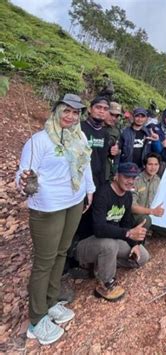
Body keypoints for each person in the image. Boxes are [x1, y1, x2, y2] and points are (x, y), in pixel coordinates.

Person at [16, 94, 95, 345]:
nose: (71, 117)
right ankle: (36, 319)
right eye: (66, 111)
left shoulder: (79, 137)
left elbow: (86, 164)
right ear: (57, 110)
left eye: (75, 112)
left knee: (61, 252)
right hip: (47, 207)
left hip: (73, 202)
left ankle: (51, 302)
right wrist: (23, 178)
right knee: (44, 261)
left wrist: (89, 189)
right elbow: (23, 174)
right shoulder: (38, 141)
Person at [74, 163, 150, 302]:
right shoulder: (102, 194)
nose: (131, 181)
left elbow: (126, 223)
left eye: (134, 178)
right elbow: (99, 229)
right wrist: (127, 233)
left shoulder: (127, 196)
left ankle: (101, 264)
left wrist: (134, 244)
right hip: (86, 243)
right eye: (127, 177)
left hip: (111, 240)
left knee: (142, 257)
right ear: (116, 176)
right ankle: (105, 284)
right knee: (110, 245)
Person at [81, 96, 118, 188]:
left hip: (97, 182)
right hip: (80, 180)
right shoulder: (79, 128)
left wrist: (113, 152)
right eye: (98, 107)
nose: (102, 111)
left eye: (105, 109)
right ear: (90, 109)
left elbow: (103, 160)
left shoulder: (105, 134)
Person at [131, 153, 164, 231]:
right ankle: (138, 242)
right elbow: (132, 207)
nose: (153, 167)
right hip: (135, 216)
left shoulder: (158, 180)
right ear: (144, 165)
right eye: (150, 164)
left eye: (156, 164)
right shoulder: (136, 180)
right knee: (146, 220)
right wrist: (152, 211)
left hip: (151, 214)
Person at [104, 101, 122, 181]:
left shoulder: (116, 131)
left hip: (106, 171)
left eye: (116, 116)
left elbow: (119, 150)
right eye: (111, 114)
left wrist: (117, 151)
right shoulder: (94, 126)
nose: (114, 118)